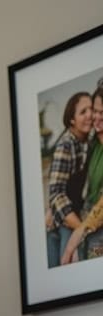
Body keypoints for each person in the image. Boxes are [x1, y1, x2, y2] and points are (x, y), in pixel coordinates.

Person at [46, 91, 94, 267]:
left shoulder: (87, 142)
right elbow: (56, 194)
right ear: (72, 120)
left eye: (91, 109)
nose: (90, 115)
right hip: (64, 220)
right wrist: (81, 228)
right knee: (64, 267)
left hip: (75, 214)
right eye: (83, 112)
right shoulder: (65, 144)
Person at [62, 86, 103, 264]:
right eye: (96, 110)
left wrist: (79, 233)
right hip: (88, 216)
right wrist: (53, 206)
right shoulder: (93, 143)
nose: (97, 117)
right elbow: (78, 178)